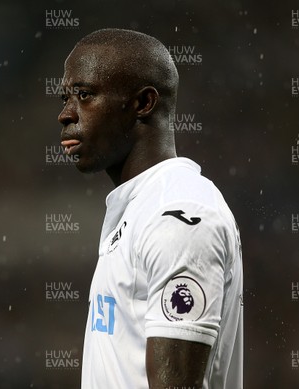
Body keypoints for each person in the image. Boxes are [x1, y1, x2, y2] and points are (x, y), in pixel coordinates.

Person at [57, 28, 243, 389]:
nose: (65, 114)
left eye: (84, 95)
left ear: (143, 103)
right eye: (65, 97)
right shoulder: (139, 208)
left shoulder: (179, 213)